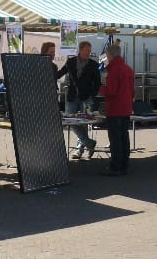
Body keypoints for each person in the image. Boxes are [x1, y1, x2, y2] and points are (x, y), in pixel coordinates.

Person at [57, 40, 101, 159]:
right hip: (72, 97)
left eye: (90, 50)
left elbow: (98, 83)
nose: (88, 52)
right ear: (80, 50)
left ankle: (79, 150)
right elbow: (59, 73)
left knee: (84, 122)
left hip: (87, 98)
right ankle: (88, 143)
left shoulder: (93, 64)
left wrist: (92, 94)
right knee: (71, 121)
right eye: (87, 50)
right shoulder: (71, 62)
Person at [98, 44, 135, 176]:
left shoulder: (114, 70)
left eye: (107, 55)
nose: (106, 57)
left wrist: (101, 88)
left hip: (115, 108)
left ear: (110, 55)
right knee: (124, 136)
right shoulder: (128, 69)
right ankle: (124, 164)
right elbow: (132, 91)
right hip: (126, 108)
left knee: (115, 139)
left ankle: (116, 166)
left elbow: (111, 91)